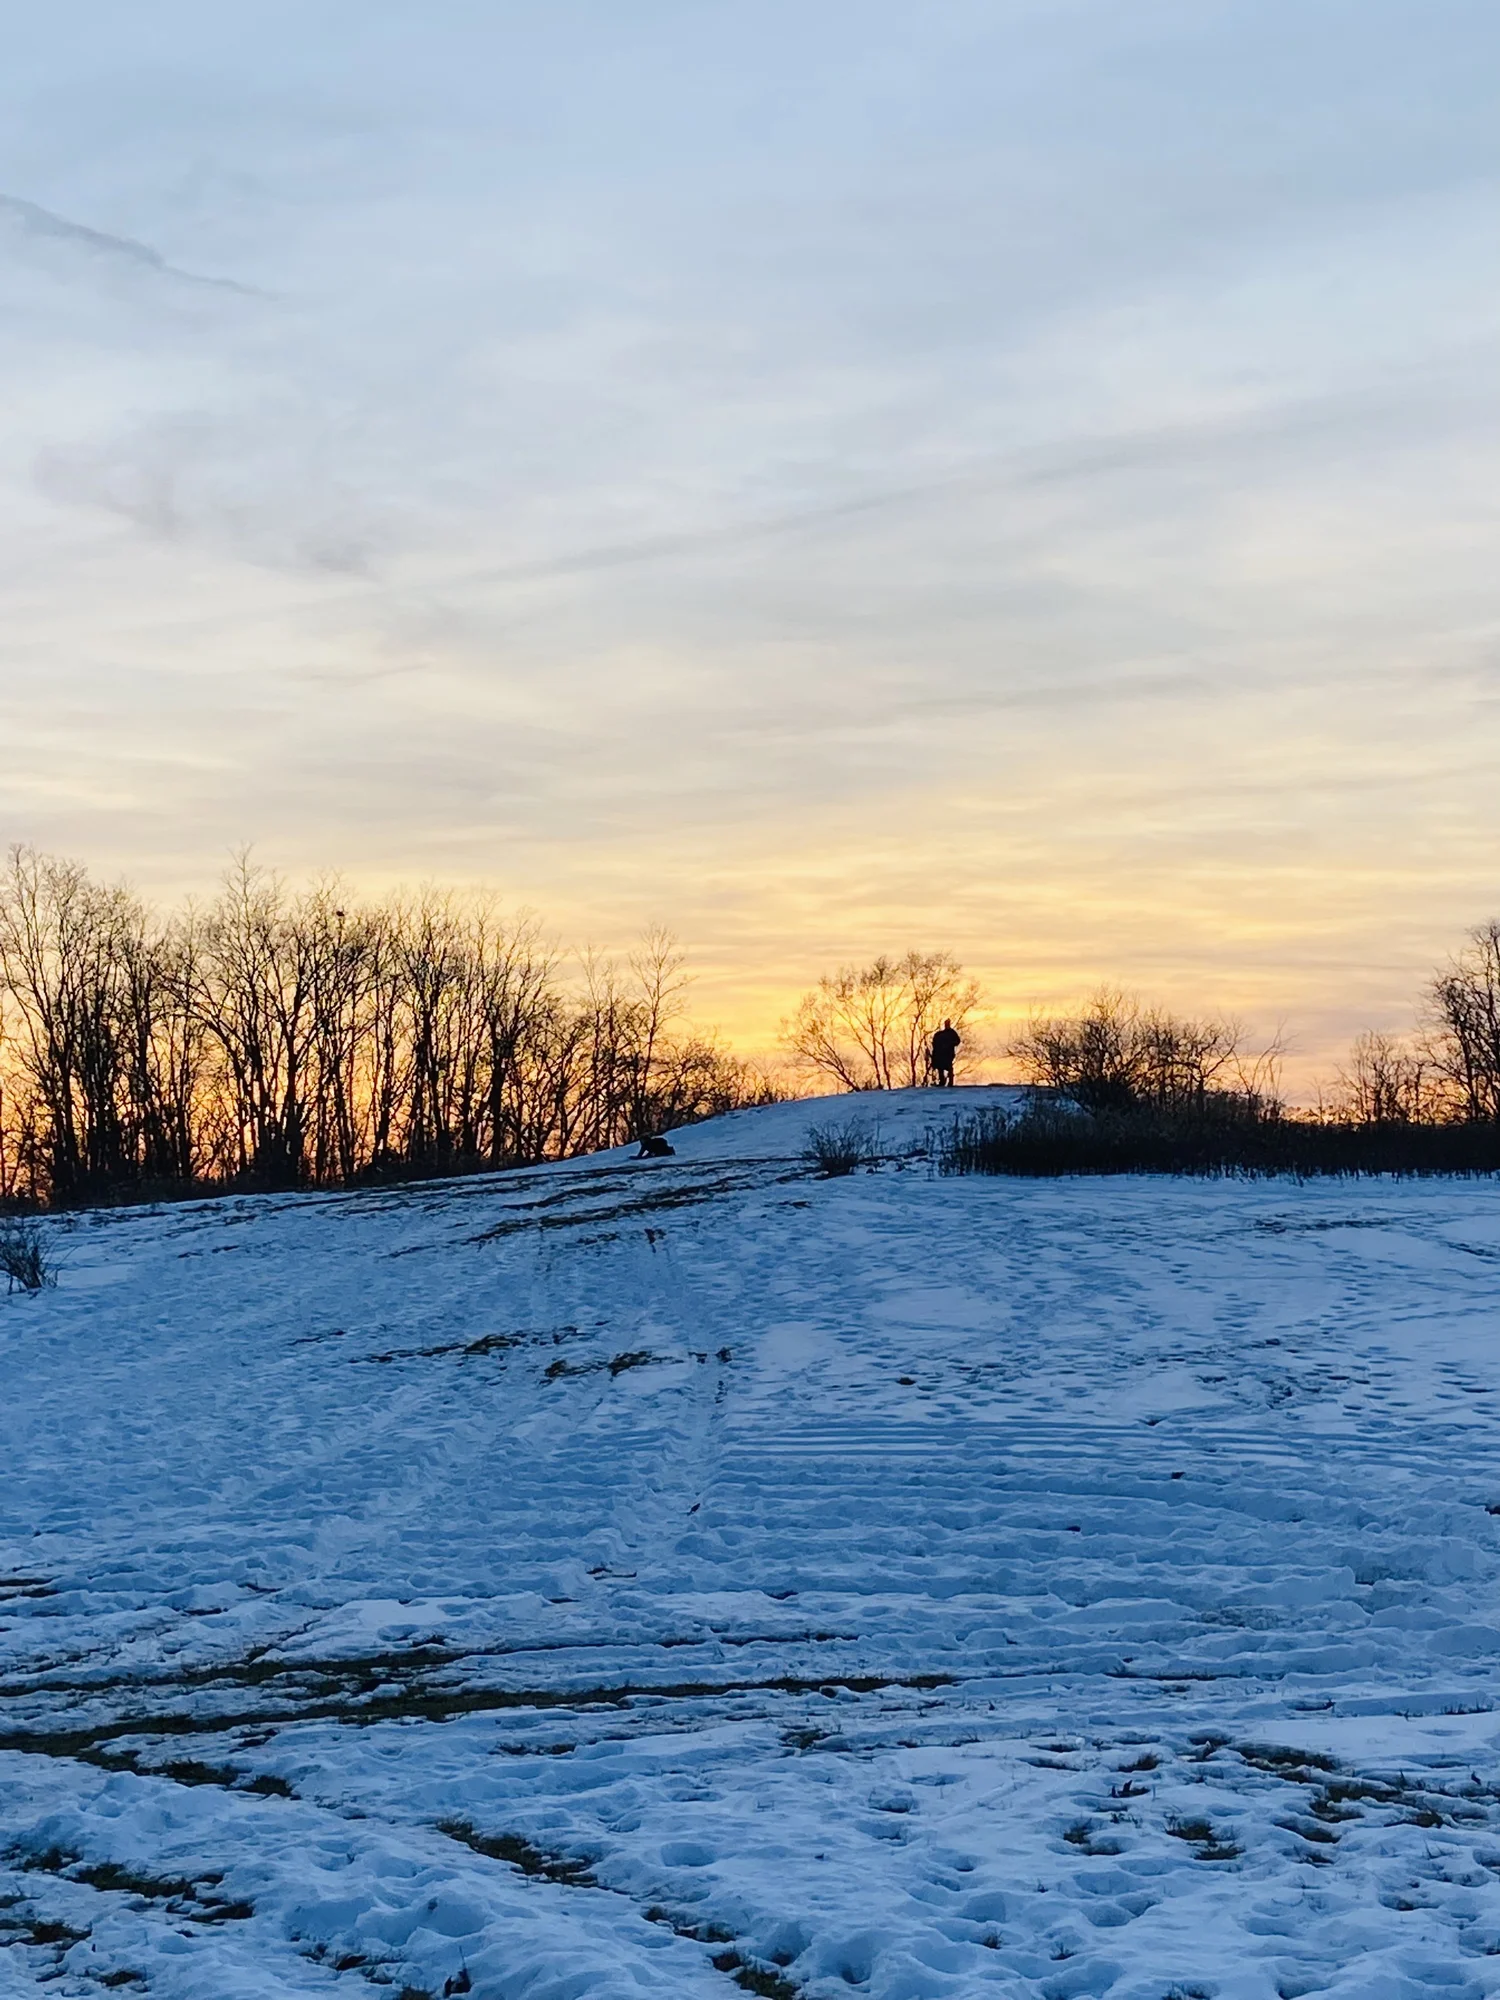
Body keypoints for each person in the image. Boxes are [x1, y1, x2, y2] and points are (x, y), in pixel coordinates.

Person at [930, 1018, 960, 1088]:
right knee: (940, 1067)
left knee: (949, 1067)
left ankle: (950, 1082)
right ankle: (942, 1082)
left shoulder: (952, 1033)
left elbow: (957, 1041)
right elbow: (935, 1044)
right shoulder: (940, 1034)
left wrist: (950, 1044)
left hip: (948, 1054)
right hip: (941, 1054)